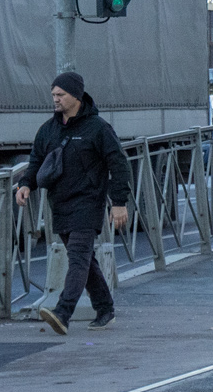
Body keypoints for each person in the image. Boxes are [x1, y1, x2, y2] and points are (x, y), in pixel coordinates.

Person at [15, 71, 130, 335]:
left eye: (60, 95)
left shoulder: (98, 129)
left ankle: (63, 313)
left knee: (77, 258)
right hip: (60, 203)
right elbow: (36, 161)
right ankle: (105, 309)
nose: (55, 99)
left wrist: (119, 202)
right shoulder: (48, 129)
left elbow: (118, 164)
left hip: (88, 203)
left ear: (76, 96)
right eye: (53, 94)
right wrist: (25, 185)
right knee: (85, 260)